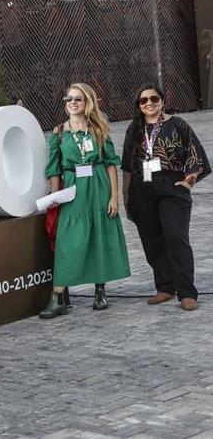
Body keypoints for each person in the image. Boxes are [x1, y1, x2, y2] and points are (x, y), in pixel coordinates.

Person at [39, 83, 131, 318]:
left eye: (78, 99)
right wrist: (55, 196)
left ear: (87, 102)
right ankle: (58, 297)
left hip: (98, 186)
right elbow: (54, 168)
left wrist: (114, 196)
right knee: (68, 242)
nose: (72, 102)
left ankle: (100, 291)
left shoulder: (98, 129)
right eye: (69, 98)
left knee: (99, 236)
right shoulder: (59, 132)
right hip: (72, 189)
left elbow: (110, 163)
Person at [121, 84, 209, 311]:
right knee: (152, 240)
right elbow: (127, 166)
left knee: (176, 236)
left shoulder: (177, 124)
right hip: (142, 188)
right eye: (144, 100)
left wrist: (189, 181)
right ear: (138, 105)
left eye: (154, 98)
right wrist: (126, 196)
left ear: (162, 101)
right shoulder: (134, 129)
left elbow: (195, 153)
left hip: (172, 186)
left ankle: (187, 292)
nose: (149, 103)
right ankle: (166, 287)